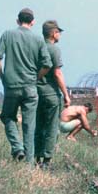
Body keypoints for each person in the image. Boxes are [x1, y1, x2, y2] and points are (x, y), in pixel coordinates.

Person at [0, 8, 52, 163]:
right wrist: (36, 78)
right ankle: (29, 164)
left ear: (18, 21)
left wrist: (3, 77)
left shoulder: (7, 34)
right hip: (30, 87)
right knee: (29, 125)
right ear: (32, 22)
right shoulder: (38, 39)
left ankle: (17, 148)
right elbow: (47, 65)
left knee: (7, 116)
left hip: (11, 86)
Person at [34, 20, 70, 169]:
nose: (59, 35)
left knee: (38, 126)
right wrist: (66, 94)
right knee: (51, 128)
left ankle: (36, 158)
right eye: (58, 32)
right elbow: (57, 73)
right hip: (50, 94)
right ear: (54, 33)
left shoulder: (36, 47)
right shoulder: (54, 49)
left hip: (36, 92)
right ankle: (46, 161)